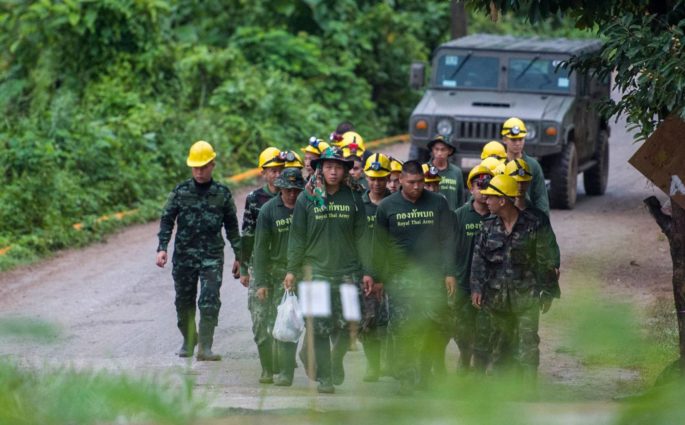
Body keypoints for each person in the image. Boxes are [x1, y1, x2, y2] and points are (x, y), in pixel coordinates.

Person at [283, 147, 371, 394]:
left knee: (349, 323)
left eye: (339, 167)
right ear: (320, 168)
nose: (333, 171)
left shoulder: (354, 197)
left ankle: (334, 361)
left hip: (348, 271)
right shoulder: (307, 198)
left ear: (345, 170)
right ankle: (326, 378)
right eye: (329, 166)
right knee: (319, 325)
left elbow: (363, 235)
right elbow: (297, 236)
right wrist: (291, 269)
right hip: (315, 272)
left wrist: (368, 271)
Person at [373, 160, 456, 395]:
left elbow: (448, 239)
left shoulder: (438, 203)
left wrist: (450, 272)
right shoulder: (387, 206)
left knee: (432, 327)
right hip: (400, 278)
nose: (417, 187)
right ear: (400, 180)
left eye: (420, 182)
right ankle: (406, 378)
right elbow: (379, 244)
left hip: (431, 276)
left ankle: (424, 374)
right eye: (411, 183)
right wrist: (377, 277)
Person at [156, 140, 241, 361]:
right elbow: (167, 219)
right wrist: (162, 248)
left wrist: (241, 256)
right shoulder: (181, 191)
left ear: (212, 164)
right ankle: (189, 339)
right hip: (184, 256)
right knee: (184, 300)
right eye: (195, 167)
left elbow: (232, 226)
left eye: (203, 167)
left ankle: (205, 346)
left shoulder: (222, 194)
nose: (199, 171)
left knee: (209, 299)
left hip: (212, 256)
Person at [470, 174, 560, 384]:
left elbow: (545, 260)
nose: (486, 199)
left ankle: (528, 389)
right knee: (499, 346)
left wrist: (548, 292)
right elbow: (479, 260)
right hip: (496, 298)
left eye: (491, 196)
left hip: (526, 298)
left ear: (502, 200)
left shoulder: (532, 225)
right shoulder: (488, 226)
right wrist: (476, 287)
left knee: (528, 344)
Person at [252, 168, 305, 387]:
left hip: (298, 274)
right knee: (264, 323)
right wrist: (261, 282)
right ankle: (267, 368)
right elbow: (261, 248)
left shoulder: (306, 209)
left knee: (289, 322)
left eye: (295, 190)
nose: (291, 194)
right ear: (280, 188)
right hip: (273, 274)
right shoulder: (268, 210)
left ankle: (286, 373)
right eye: (287, 190)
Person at [241, 147, 285, 383]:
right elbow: (247, 233)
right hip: (258, 267)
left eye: (280, 170)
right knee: (259, 322)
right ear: (264, 173)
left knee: (281, 319)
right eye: (272, 171)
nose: (276, 175)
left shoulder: (291, 197)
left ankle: (280, 362)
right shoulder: (254, 199)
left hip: (282, 268)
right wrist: (243, 265)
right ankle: (266, 367)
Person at [453, 164, 494, 373]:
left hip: (489, 285)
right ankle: (464, 356)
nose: (483, 190)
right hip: (463, 282)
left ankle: (479, 370)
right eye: (479, 185)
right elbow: (449, 248)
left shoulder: (497, 216)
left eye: (488, 185)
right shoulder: (460, 215)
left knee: (485, 329)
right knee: (461, 328)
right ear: (471, 188)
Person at [359, 153, 393, 382]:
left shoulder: (396, 203)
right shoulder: (358, 205)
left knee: (393, 321)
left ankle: (392, 363)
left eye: (381, 178)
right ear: (366, 177)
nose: (377, 183)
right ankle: (373, 365)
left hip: (393, 273)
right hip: (367, 274)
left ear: (389, 178)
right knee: (368, 321)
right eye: (372, 178)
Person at [501, 117, 550, 215]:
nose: (518, 143)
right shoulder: (499, 165)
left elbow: (540, 198)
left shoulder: (533, 166)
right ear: (504, 139)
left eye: (520, 139)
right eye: (513, 140)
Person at [427, 136, 465, 210]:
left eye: (443, 149)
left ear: (449, 151)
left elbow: (460, 199)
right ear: (432, 150)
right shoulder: (424, 169)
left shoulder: (456, 172)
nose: (439, 153)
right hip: (430, 218)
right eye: (436, 149)